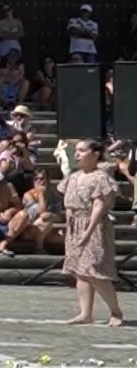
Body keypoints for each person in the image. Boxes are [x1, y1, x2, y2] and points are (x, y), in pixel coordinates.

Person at [60, 139, 124, 325]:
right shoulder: (73, 176)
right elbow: (69, 205)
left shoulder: (100, 177)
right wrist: (69, 226)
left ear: (95, 154)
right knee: (80, 272)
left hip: (94, 225)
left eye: (81, 150)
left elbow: (98, 206)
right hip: (75, 225)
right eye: (76, 150)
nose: (77, 154)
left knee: (94, 271)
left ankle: (115, 311)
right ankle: (85, 313)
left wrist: (88, 232)